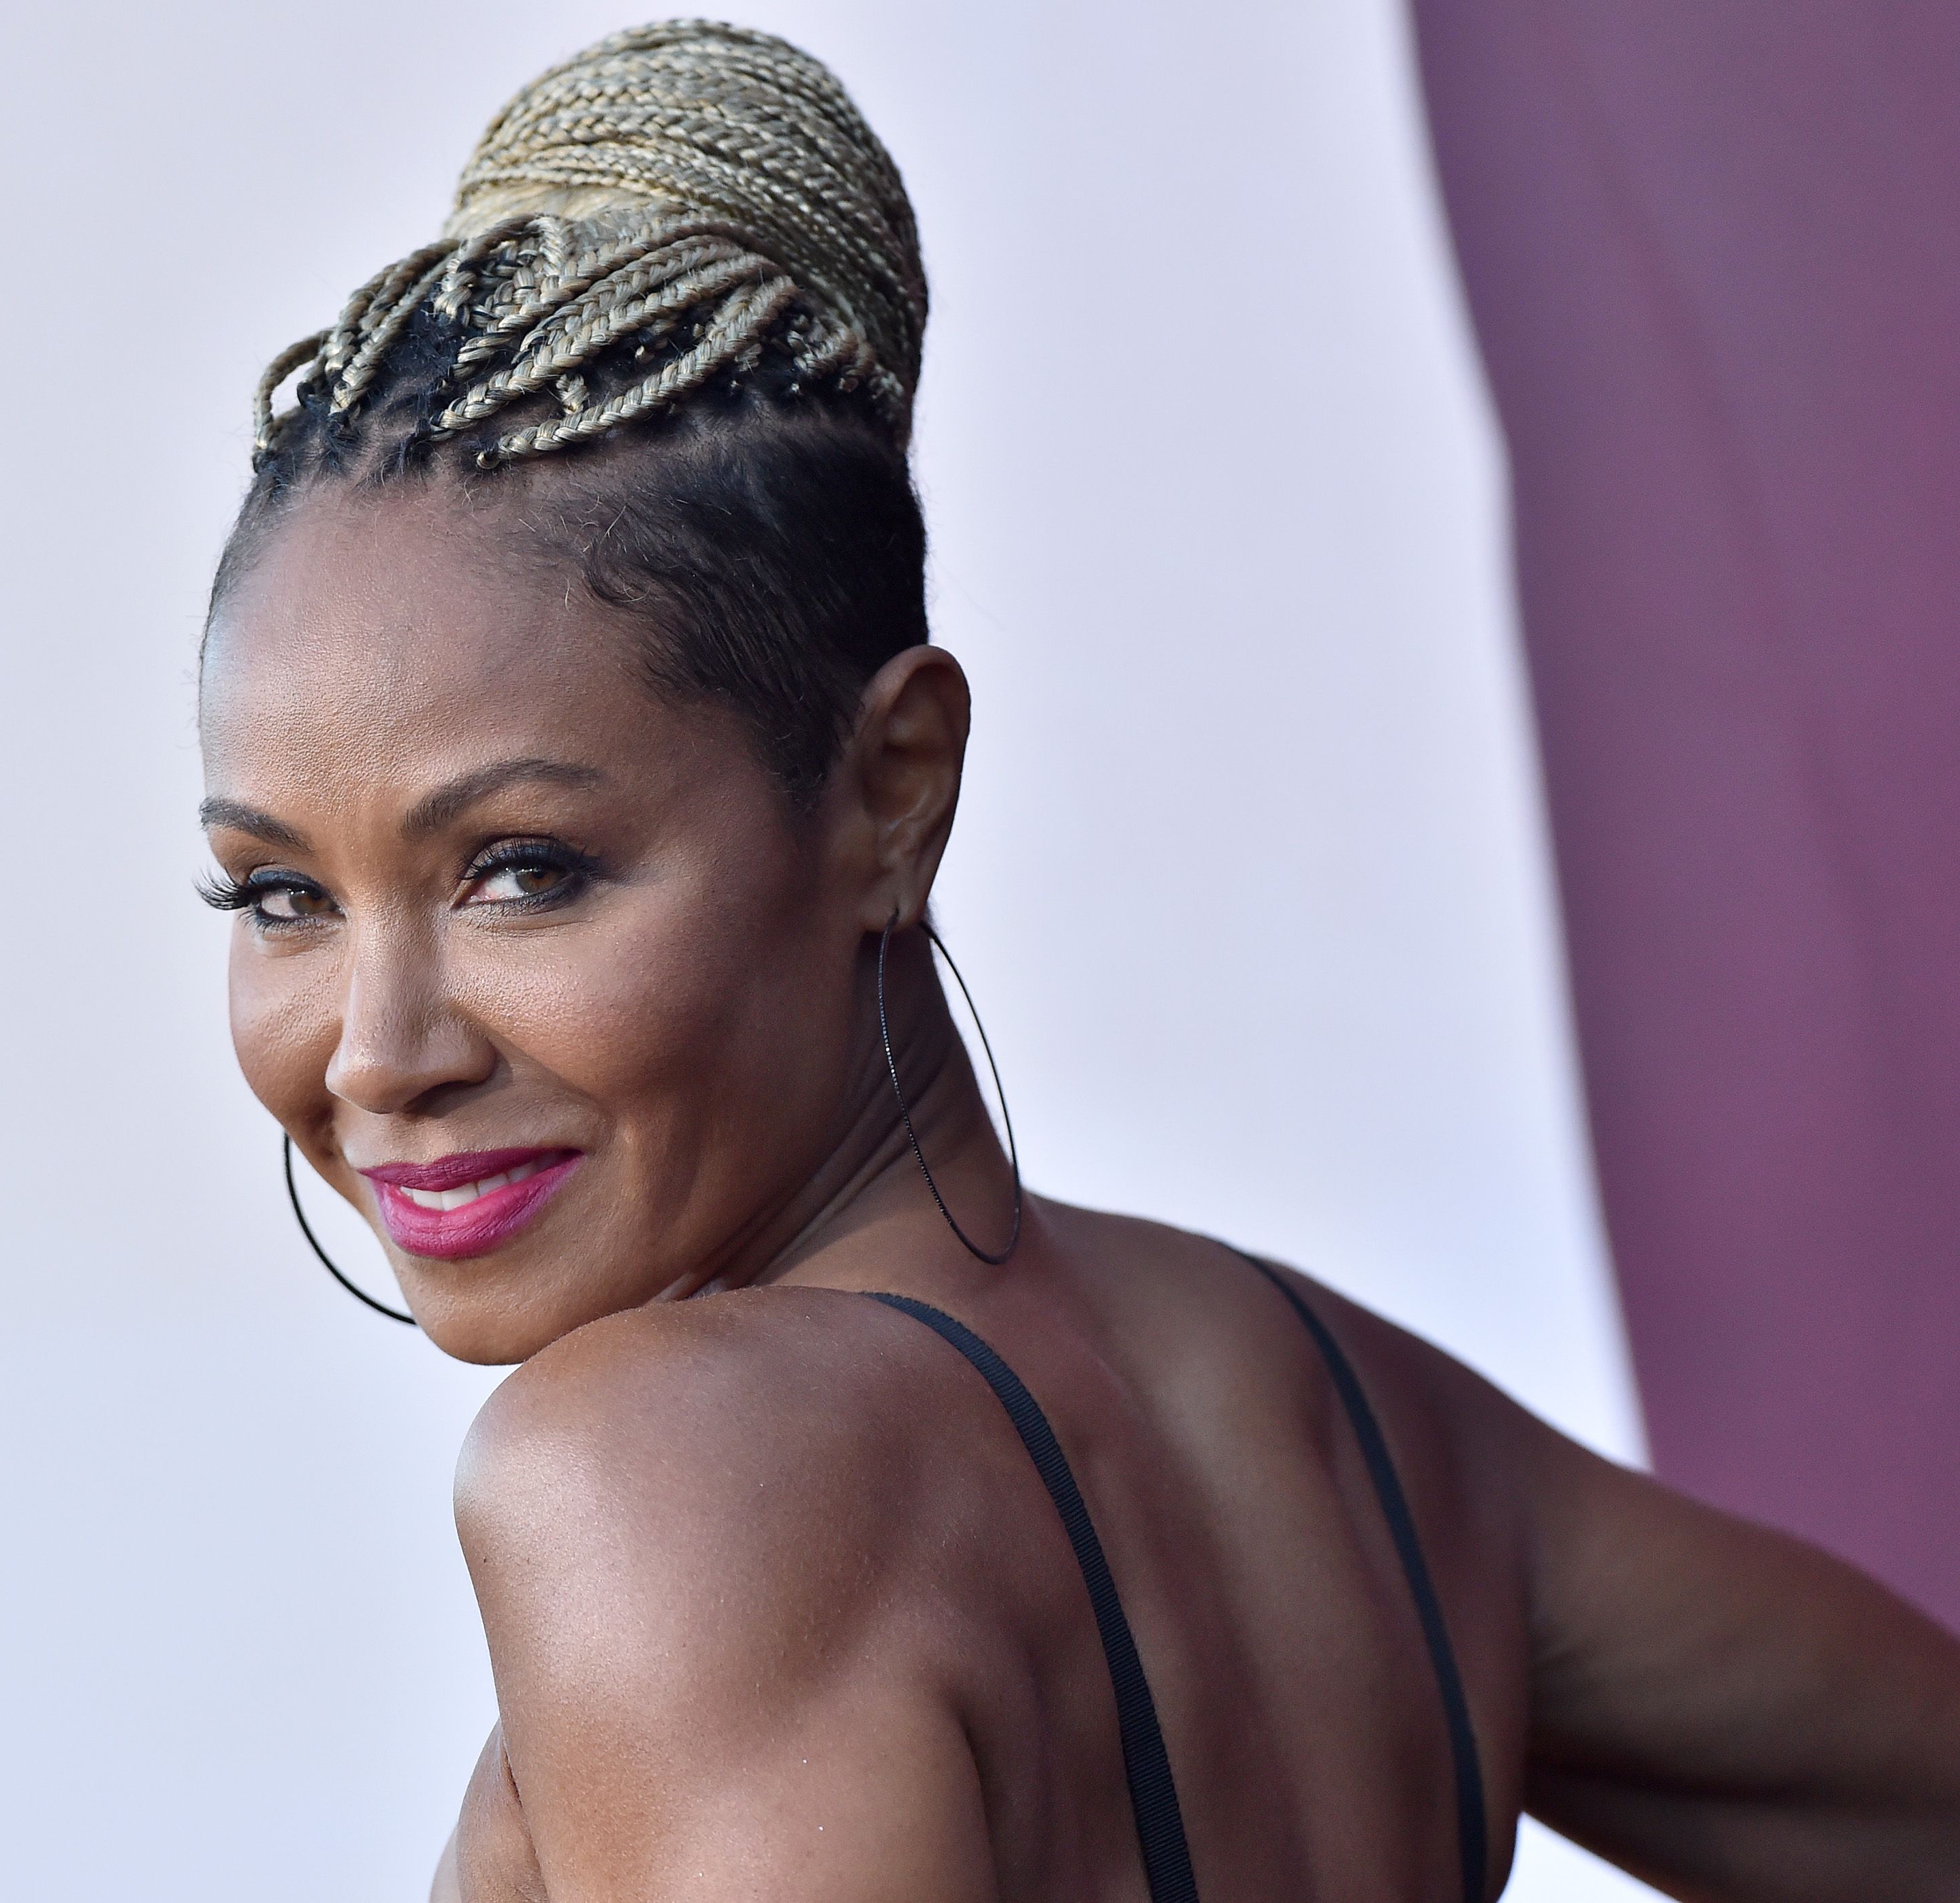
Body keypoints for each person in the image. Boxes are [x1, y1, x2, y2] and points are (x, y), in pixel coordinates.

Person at [192, 22, 1960, 1900]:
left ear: (893, 789)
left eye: (523, 871)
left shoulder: (663, 1478)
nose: (376, 1052)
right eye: (279, 896)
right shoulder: (1358, 1427)